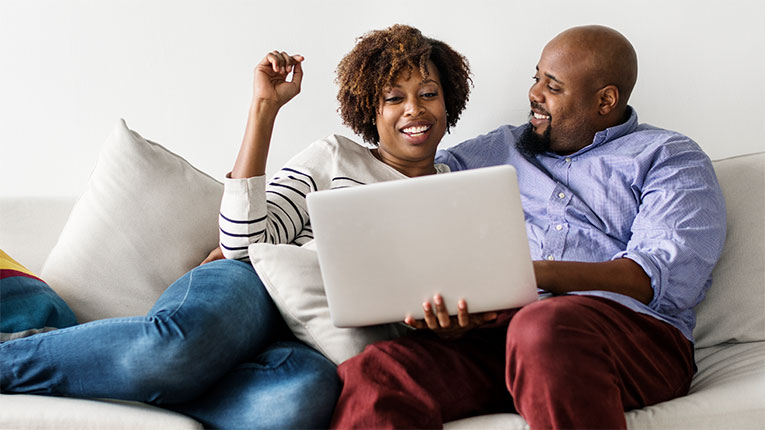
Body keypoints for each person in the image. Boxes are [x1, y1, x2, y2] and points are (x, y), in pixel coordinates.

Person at [1, 24, 472, 429]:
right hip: (251, 286)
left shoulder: (459, 197)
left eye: (428, 94)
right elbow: (242, 244)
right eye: (395, 98)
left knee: (297, 405)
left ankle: (145, 381)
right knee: (174, 351)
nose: (414, 109)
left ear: (448, 102)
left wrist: (446, 327)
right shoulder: (335, 156)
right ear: (371, 111)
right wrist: (264, 110)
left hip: (313, 340)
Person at [329, 25, 727, 430]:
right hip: (494, 339)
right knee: (376, 372)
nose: (534, 94)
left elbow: (654, 278)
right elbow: (409, 188)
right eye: (536, 78)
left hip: (630, 338)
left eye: (552, 86)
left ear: (605, 100)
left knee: (541, 327)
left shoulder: (669, 156)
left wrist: (520, 278)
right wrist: (453, 308)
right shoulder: (495, 150)